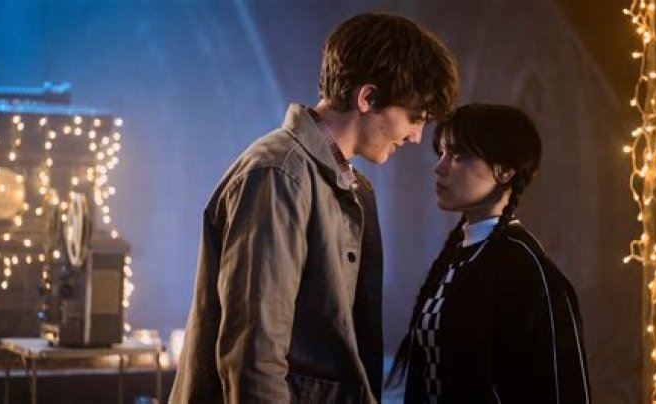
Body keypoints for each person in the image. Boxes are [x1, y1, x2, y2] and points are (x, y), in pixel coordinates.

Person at [169, 13, 458, 404]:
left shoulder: (350, 185)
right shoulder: (278, 174)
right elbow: (254, 357)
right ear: (367, 98)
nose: (416, 136)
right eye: (414, 118)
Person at [386, 104, 591, 403]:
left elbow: (562, 387)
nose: (440, 166)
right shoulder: (459, 254)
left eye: (458, 155)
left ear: (505, 170)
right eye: (441, 153)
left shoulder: (524, 266)